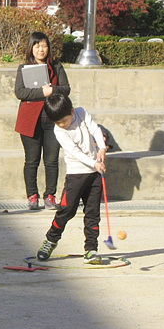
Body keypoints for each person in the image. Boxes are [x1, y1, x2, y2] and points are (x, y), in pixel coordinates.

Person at [36, 93, 108, 265]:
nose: (62, 125)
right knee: (66, 210)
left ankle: (91, 249)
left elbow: (95, 129)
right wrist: (93, 163)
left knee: (93, 213)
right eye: (57, 122)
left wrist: (102, 148)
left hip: (94, 175)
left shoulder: (82, 113)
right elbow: (75, 153)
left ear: (72, 111)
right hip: (76, 175)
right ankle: (51, 240)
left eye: (64, 121)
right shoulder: (59, 131)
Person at [14, 32, 70, 211]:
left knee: (52, 160)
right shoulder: (24, 67)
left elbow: (66, 89)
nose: (41, 49)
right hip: (30, 119)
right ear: (31, 48)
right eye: (37, 46)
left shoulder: (56, 66)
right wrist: (41, 93)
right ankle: (32, 196)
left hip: (52, 119)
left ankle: (50, 195)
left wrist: (52, 90)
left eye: (44, 45)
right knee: (32, 160)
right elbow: (20, 92)